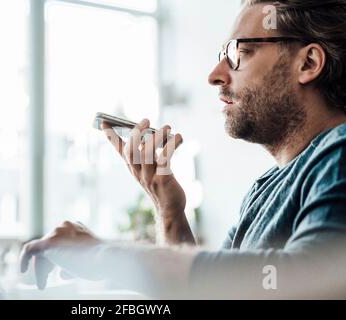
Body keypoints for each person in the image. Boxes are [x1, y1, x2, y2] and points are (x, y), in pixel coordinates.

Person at [20, 0, 346, 299]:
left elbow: (304, 279)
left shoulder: (340, 153)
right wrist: (168, 209)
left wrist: (98, 255)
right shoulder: (264, 191)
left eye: (238, 54)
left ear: (308, 62)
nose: (215, 75)